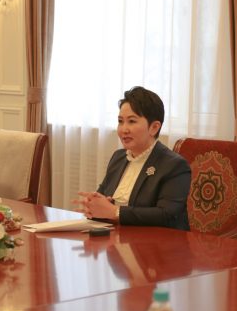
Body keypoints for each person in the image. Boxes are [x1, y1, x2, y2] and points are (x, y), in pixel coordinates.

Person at [75, 86, 191, 230]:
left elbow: (166, 215)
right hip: (117, 237)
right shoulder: (118, 158)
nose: (124, 129)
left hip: (156, 242)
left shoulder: (174, 165)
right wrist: (94, 205)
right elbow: (104, 200)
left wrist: (115, 212)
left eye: (131, 121)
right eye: (120, 121)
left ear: (154, 127)